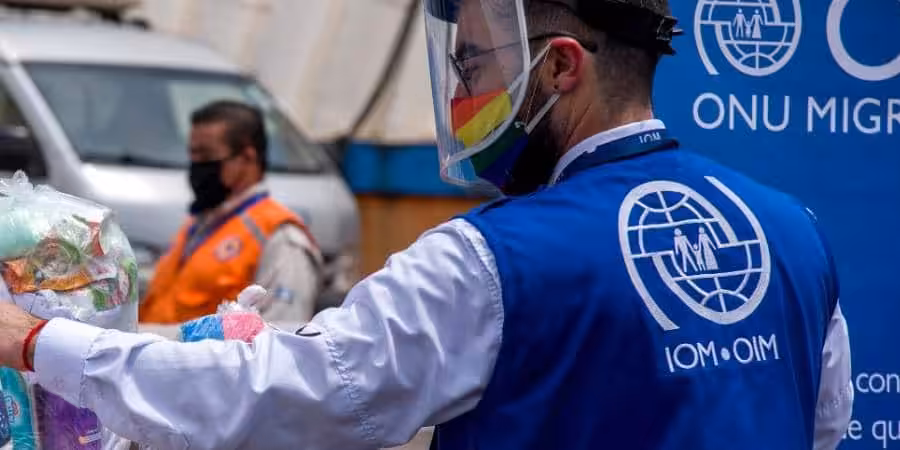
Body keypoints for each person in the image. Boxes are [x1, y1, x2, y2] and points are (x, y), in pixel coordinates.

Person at [0, 1, 852, 449]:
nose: (459, 95)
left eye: (474, 64)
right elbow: (821, 425)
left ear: (560, 67)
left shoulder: (489, 261)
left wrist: (42, 345)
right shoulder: (795, 233)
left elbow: (285, 397)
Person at [139, 100, 323, 325]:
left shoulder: (280, 238)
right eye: (193, 156)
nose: (197, 167)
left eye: (206, 157)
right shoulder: (198, 225)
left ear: (247, 158)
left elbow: (282, 335)